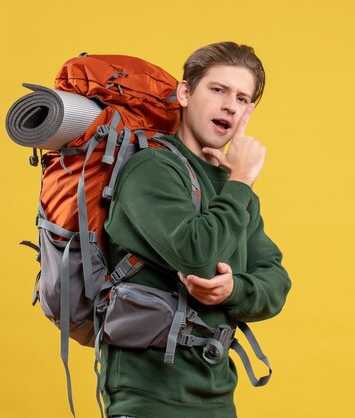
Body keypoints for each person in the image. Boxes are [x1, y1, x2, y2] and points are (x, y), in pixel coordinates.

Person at [101, 41, 292, 418]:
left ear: (248, 111)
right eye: (218, 90)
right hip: (148, 401)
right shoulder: (151, 169)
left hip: (218, 401)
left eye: (241, 98)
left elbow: (275, 281)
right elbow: (197, 255)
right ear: (185, 93)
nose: (229, 106)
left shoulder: (234, 188)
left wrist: (235, 289)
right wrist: (241, 179)